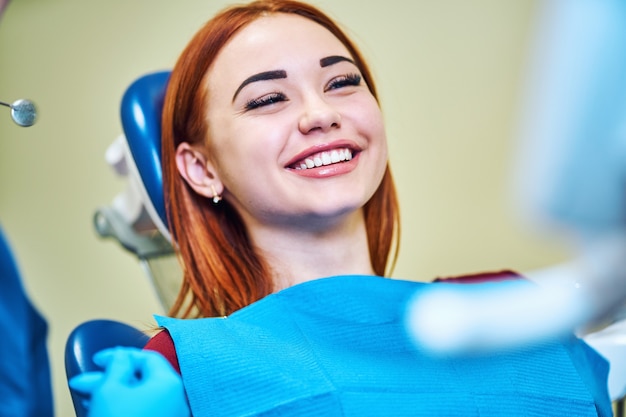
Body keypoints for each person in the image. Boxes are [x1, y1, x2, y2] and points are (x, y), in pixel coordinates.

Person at [70, 1, 613, 416]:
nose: (320, 113)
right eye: (267, 99)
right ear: (201, 169)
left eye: (342, 82)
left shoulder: (508, 308)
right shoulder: (175, 370)